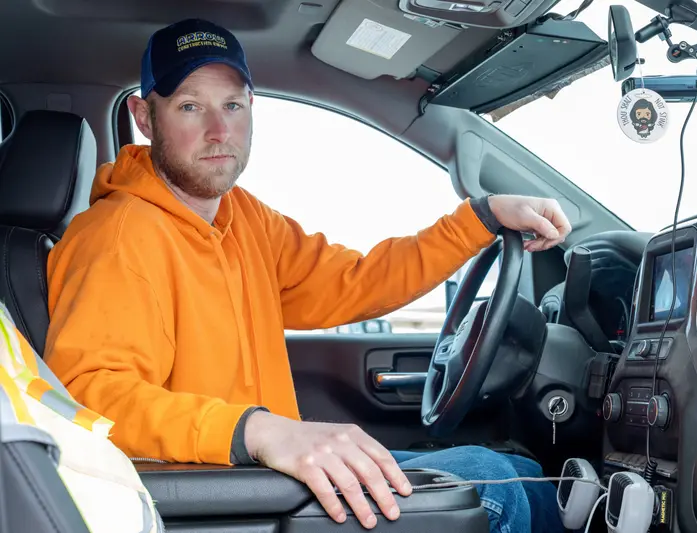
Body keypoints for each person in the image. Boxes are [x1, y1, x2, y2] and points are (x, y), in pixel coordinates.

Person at [43, 18, 571, 533]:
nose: (218, 130)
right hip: (215, 496)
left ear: (252, 109)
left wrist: (478, 219)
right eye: (189, 107)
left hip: (256, 477)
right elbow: (91, 398)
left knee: (515, 471)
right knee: (494, 484)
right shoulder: (115, 237)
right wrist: (257, 429)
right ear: (144, 116)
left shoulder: (241, 217)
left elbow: (357, 282)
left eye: (232, 105)